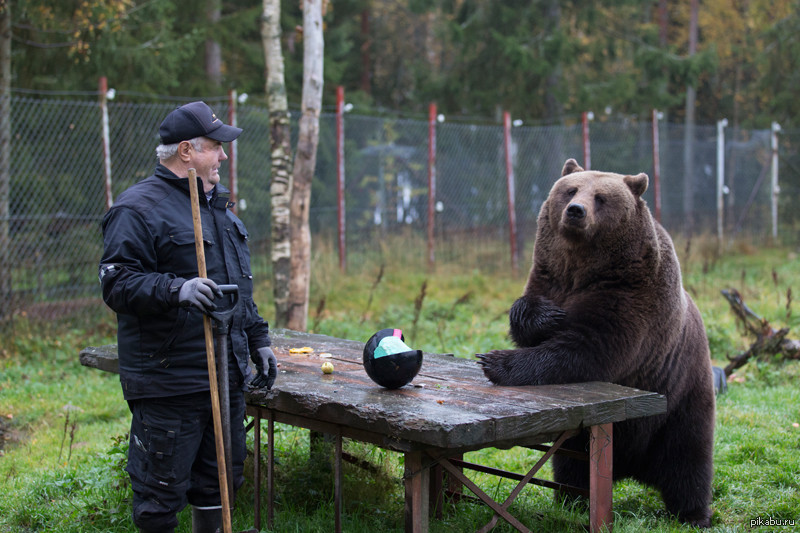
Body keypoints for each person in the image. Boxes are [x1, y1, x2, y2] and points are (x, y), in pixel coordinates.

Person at [99, 101, 277, 533]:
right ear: (186, 151)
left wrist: (258, 339)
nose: (224, 156)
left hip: (226, 374)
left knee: (220, 482)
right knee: (160, 492)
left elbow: (236, 289)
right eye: (216, 147)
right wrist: (176, 289)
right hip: (170, 381)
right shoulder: (137, 209)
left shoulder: (220, 210)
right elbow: (117, 282)